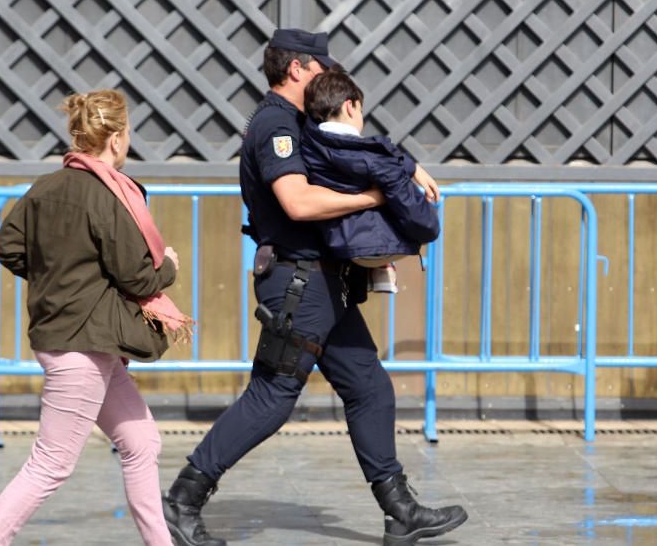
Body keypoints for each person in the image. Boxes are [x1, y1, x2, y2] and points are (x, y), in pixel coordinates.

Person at [164, 30, 467, 546]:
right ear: (298, 69)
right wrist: (374, 197)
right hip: (298, 284)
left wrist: (406, 165)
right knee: (272, 397)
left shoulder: (303, 123)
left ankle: (400, 511)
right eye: (320, 68)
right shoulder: (274, 126)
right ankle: (181, 498)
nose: (326, 77)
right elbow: (299, 203)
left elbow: (353, 147)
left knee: (369, 387)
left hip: (326, 286)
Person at [0, 89, 186, 545]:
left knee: (142, 442)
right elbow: (138, 276)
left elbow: (7, 246)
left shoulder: (45, 186)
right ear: (115, 139)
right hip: (83, 345)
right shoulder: (109, 195)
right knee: (49, 465)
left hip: (76, 339)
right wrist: (168, 264)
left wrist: (54, 275)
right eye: (127, 134)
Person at [300, 68, 440, 292]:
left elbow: (369, 152)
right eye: (361, 110)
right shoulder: (377, 162)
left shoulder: (308, 144)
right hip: (373, 248)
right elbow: (426, 226)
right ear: (349, 106)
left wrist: (411, 166)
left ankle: (383, 270)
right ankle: (385, 268)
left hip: (336, 241)